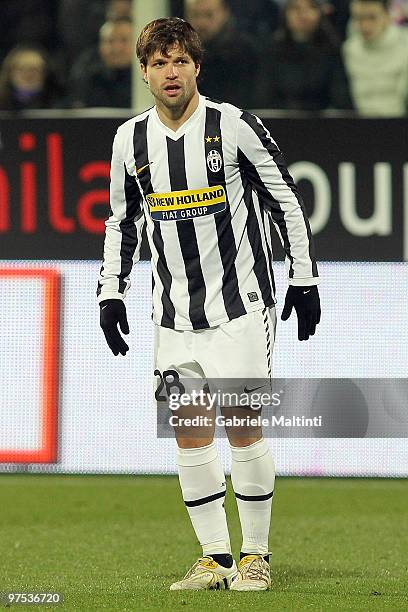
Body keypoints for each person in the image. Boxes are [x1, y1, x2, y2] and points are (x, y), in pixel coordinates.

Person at [97, 17, 320, 591]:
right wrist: (111, 292)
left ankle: (256, 556)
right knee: (189, 431)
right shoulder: (130, 139)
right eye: (158, 63)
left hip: (240, 309)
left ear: (197, 66)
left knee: (244, 428)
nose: (170, 73)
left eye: (180, 61)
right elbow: (122, 223)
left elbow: (286, 200)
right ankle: (215, 558)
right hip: (172, 317)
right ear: (144, 72)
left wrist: (304, 278)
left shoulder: (234, 126)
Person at [258, 0, 352, 111]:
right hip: (280, 120)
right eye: (296, 8)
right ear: (285, 13)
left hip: (322, 121)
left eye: (311, 7)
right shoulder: (271, 50)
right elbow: (263, 96)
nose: (303, 14)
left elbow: (340, 97)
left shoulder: (332, 49)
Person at [184, 0, 260, 108]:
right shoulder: (181, 53)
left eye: (209, 15)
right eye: (195, 15)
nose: (201, 23)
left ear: (225, 14)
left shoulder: (244, 52)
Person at [342, 0, 408, 116]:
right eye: (358, 18)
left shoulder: (405, 46)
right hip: (358, 125)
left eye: (372, 17)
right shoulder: (348, 50)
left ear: (387, 17)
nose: (364, 25)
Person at [69, 17, 133, 108]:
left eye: (124, 40)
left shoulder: (149, 81)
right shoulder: (87, 81)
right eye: (110, 41)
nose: (116, 48)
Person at [0, 44, 64, 111]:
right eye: (20, 68)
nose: (27, 74)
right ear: (9, 72)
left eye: (33, 69)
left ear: (45, 72)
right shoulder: (2, 103)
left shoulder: (61, 105)